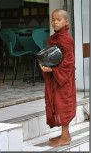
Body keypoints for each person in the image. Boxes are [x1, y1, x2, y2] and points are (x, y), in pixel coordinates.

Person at [39, 9, 76, 147]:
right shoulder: (55, 37)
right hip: (56, 77)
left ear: (66, 22)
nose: (55, 22)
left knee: (63, 105)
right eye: (53, 19)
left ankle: (65, 137)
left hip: (63, 80)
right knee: (56, 103)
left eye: (58, 19)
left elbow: (69, 62)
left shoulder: (65, 39)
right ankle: (65, 134)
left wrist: (52, 69)